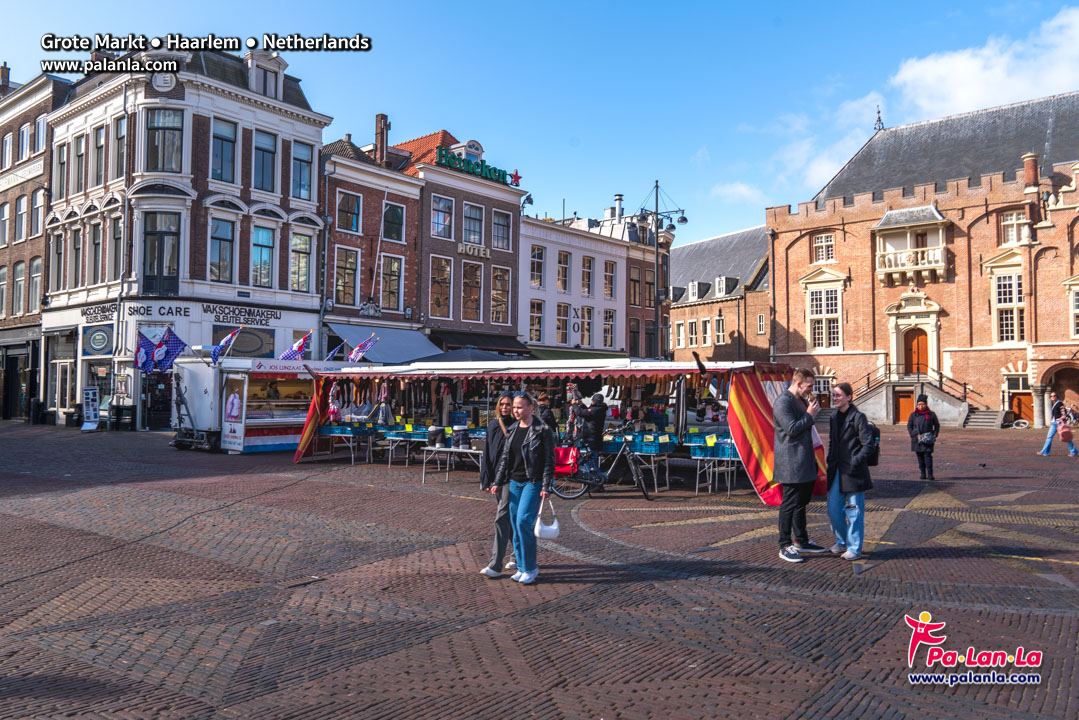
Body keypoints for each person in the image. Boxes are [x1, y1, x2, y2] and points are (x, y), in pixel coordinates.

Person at [491, 392, 555, 585]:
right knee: (514, 523)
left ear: (530, 408)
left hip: (532, 482)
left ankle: (530, 567)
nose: (516, 410)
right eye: (515, 407)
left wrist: (546, 484)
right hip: (514, 482)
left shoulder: (542, 429)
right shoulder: (512, 428)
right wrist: (497, 480)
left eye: (519, 407)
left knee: (523, 522)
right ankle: (521, 567)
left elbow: (549, 460)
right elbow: (505, 458)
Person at [773, 367, 827, 563]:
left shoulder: (801, 400)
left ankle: (801, 540)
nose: (811, 390)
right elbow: (792, 429)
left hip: (804, 460)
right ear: (798, 383)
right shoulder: (783, 402)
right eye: (809, 386)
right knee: (789, 503)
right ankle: (784, 545)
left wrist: (810, 413)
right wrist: (809, 415)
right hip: (790, 462)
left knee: (801, 502)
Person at [825, 382, 874, 561]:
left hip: (853, 471)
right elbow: (832, 442)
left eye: (838, 395)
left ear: (849, 397)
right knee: (833, 509)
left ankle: (854, 547)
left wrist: (855, 461)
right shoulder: (832, 417)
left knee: (854, 511)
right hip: (837, 469)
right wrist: (830, 461)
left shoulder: (858, 417)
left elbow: (868, 445)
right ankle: (842, 541)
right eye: (833, 395)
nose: (834, 398)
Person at [479, 391, 516, 578]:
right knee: (508, 520)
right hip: (496, 479)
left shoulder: (517, 425)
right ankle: (518, 555)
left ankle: (495, 564)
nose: (504, 408)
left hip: (511, 478)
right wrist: (485, 477)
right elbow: (487, 452)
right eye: (502, 404)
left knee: (501, 517)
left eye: (508, 404)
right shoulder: (493, 425)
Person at [907, 394, 940, 480]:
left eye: (922, 404)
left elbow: (936, 425)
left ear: (926, 404)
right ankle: (922, 473)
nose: (921, 406)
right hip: (916, 439)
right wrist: (912, 434)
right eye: (919, 404)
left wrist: (935, 434)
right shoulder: (913, 415)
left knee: (928, 457)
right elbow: (909, 426)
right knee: (920, 457)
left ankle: (930, 474)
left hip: (927, 439)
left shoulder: (931, 414)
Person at [1037, 390, 1078, 457]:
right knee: (1049, 437)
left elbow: (1064, 414)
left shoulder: (1059, 404)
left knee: (1066, 437)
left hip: (1058, 423)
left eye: (1054, 396)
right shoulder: (1055, 404)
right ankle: (1045, 452)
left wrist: (1060, 420)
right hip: (1054, 424)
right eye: (1051, 396)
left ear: (1057, 396)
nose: (1052, 397)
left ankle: (1073, 451)